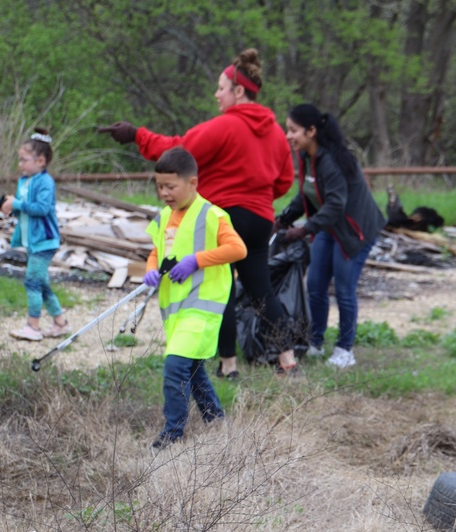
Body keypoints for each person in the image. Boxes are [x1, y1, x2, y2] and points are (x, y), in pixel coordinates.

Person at [98, 48, 298, 376]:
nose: (216, 94)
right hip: (261, 219)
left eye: (221, 88)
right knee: (261, 290)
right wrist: (259, 199)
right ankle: (288, 361)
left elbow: (177, 151)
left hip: (224, 217)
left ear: (238, 91)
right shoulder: (276, 133)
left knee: (220, 289)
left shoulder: (223, 127)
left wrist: (136, 135)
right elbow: (285, 180)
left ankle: (228, 367)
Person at [140, 148, 247, 449]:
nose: (164, 193)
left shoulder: (212, 214)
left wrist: (196, 260)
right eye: (159, 186)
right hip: (176, 311)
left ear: (193, 183)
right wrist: (150, 270)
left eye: (170, 187)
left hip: (202, 308)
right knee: (194, 370)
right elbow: (156, 253)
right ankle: (216, 421)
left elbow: (238, 249)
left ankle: (172, 434)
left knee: (175, 367)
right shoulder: (164, 217)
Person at [280, 102, 385, 367]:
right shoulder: (307, 158)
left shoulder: (331, 161)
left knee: (344, 289)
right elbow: (306, 192)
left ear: (311, 131)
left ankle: (345, 350)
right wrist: (283, 219)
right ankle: (316, 342)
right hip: (330, 226)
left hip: (354, 231)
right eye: (287, 130)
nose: (288, 136)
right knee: (314, 285)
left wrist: (304, 229)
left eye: (293, 130)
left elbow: (336, 204)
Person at [0, 128, 69, 343]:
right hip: (32, 242)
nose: (20, 164)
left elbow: (41, 208)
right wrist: (11, 207)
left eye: (24, 160)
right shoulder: (24, 181)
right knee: (41, 282)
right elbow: (25, 209)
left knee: (31, 282)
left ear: (40, 160)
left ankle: (33, 326)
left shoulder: (45, 182)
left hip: (44, 242)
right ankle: (60, 322)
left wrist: (18, 203)